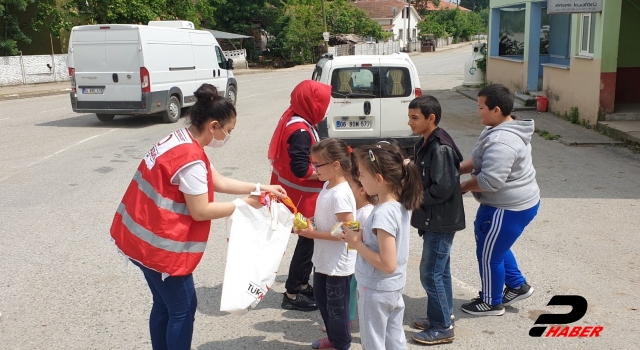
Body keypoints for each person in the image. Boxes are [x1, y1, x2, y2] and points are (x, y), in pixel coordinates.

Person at [110, 84, 285, 350]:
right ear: (213, 126)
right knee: (183, 309)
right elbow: (200, 210)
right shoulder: (190, 158)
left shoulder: (182, 139)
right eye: (229, 131)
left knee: (165, 305)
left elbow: (219, 181)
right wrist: (245, 205)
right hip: (161, 249)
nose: (228, 136)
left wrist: (261, 188)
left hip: (139, 239)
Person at [459, 84, 540, 316]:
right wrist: (454, 169)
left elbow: (490, 181)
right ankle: (517, 285)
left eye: (481, 107)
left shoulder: (503, 141)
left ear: (496, 109)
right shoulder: (497, 128)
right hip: (516, 203)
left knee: (488, 255)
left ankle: (491, 302)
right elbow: (478, 159)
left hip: (508, 208)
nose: (478, 111)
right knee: (495, 246)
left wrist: (463, 187)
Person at [342, 143, 423, 350]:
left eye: (361, 175)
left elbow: (387, 263)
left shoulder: (382, 213)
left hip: (375, 289)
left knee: (374, 342)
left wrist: (356, 243)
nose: (359, 179)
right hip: (392, 288)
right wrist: (363, 237)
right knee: (394, 339)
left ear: (379, 179)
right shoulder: (399, 205)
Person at [406, 95, 465, 345]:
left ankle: (442, 327)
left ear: (431, 118)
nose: (410, 122)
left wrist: (414, 200)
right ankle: (442, 315)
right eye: (409, 117)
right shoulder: (425, 142)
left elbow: (443, 188)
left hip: (440, 221)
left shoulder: (440, 147)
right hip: (434, 219)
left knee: (430, 273)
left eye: (414, 118)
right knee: (441, 271)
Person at [268, 80, 331, 312]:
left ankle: (302, 285)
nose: (326, 108)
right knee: (308, 242)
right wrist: (329, 174)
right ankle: (293, 292)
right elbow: (301, 169)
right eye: (324, 103)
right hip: (301, 199)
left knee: (308, 243)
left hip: (299, 196)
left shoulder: (298, 119)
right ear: (311, 103)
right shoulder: (300, 130)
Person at [297, 138, 356, 350]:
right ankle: (333, 338)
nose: (314, 169)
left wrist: (313, 233)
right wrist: (309, 222)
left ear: (336, 165)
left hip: (338, 265)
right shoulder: (327, 185)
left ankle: (342, 344)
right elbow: (326, 217)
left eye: (318, 165)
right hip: (323, 260)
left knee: (337, 309)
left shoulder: (341, 194)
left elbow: (349, 229)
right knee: (323, 302)